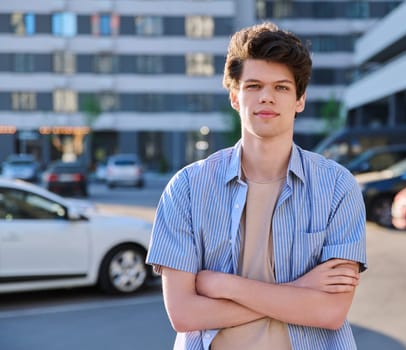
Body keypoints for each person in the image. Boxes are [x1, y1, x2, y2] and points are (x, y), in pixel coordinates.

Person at [146, 22, 367, 350]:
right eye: (253, 86)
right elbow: (183, 314)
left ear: (300, 99)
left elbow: (330, 311)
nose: (266, 97)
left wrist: (223, 284)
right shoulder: (187, 188)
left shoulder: (337, 187)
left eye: (281, 87)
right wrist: (301, 289)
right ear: (235, 97)